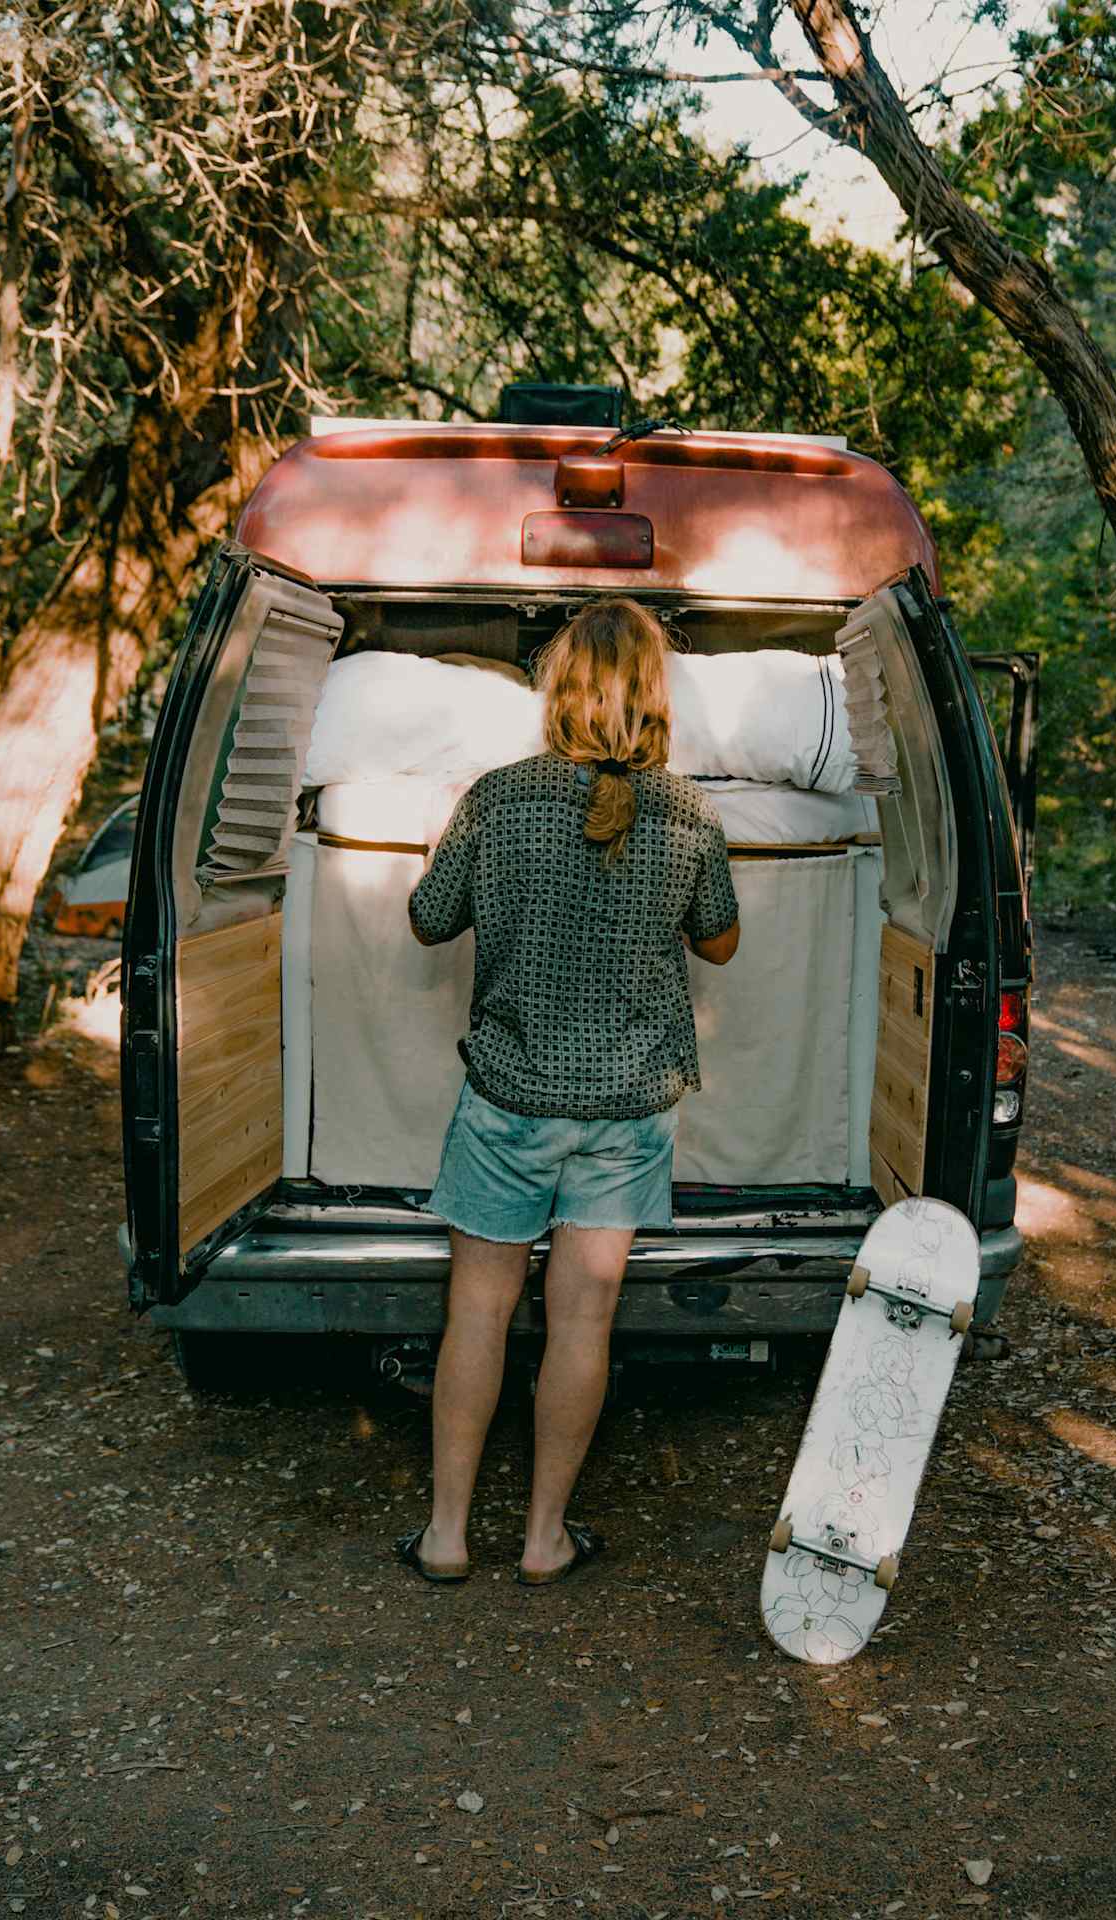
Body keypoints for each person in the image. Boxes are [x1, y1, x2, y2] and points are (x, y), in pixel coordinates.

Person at [394, 596, 740, 1587]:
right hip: (625, 1113)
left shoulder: (496, 800)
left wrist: (441, 840)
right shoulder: (689, 815)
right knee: (581, 1321)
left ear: (557, 688)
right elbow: (719, 937)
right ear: (651, 694)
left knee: (478, 1314)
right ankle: (545, 1537)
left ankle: (447, 1535)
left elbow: (426, 919)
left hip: (506, 1099)